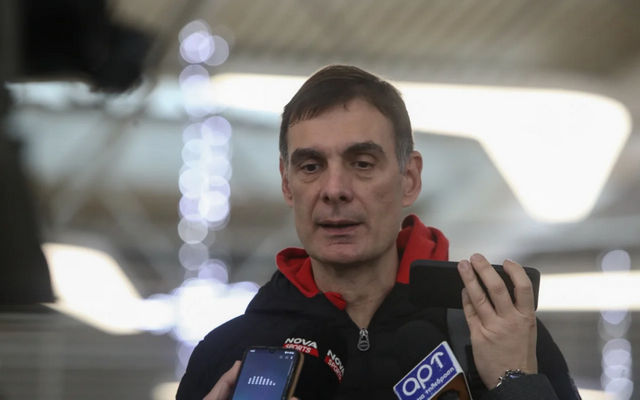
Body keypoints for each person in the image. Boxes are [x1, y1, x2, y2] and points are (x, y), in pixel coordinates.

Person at [176, 65, 581, 400]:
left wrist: (518, 384)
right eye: (311, 167)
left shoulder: (497, 331)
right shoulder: (227, 355)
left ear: (409, 179)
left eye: (362, 163)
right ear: (287, 184)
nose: (334, 190)